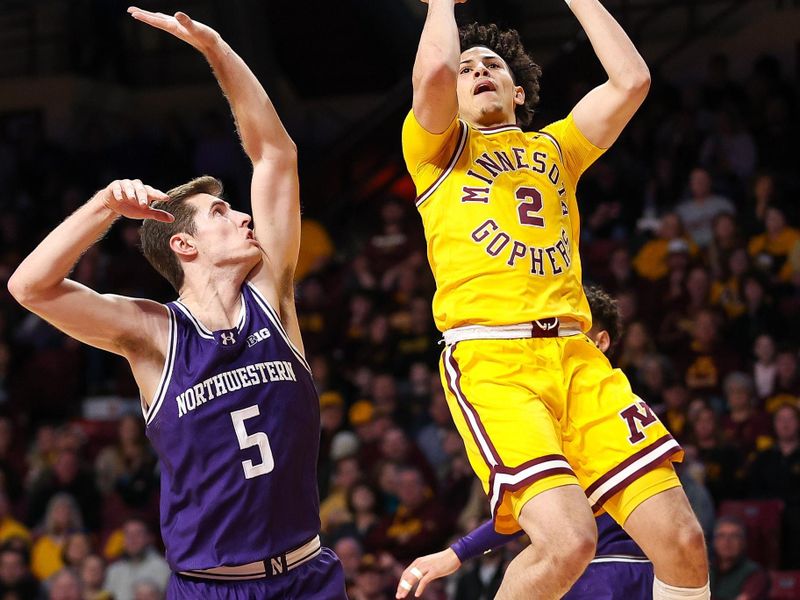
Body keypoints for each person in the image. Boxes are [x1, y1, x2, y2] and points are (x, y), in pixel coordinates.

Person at [7, 8, 345, 600]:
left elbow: (274, 155)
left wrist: (216, 50)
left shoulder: (273, 297)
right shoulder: (153, 333)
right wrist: (105, 205)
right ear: (185, 244)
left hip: (307, 578)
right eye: (221, 212)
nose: (243, 215)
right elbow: (29, 287)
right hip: (209, 586)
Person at [401, 1, 708, 598]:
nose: (479, 71)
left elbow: (632, 81)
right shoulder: (435, 153)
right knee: (569, 541)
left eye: (493, 65)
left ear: (518, 91)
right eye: (468, 69)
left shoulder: (556, 150)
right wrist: (440, 6)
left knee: (684, 543)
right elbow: (432, 74)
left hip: (578, 357)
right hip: (495, 365)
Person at [397, 286, 654, 599]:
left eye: (569, 334)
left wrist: (457, 553)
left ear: (601, 341)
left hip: (599, 572)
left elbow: (545, 508)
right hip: (638, 570)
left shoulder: (576, 409)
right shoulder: (623, 400)